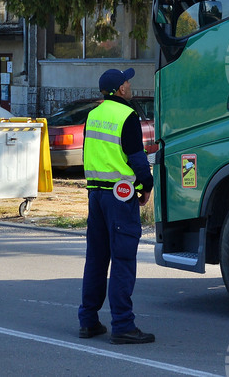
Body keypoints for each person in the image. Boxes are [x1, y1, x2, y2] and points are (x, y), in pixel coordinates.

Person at [77, 68, 156, 345]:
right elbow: (135, 158)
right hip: (120, 197)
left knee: (96, 260)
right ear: (120, 89)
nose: (130, 84)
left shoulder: (93, 115)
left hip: (96, 196)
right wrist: (147, 185)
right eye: (127, 81)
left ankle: (88, 321)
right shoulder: (127, 115)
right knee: (122, 260)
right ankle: (122, 325)